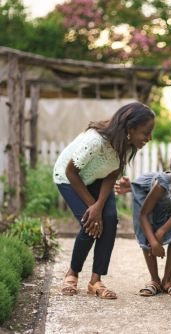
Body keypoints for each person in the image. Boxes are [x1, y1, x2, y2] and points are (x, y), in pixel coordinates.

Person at [53, 101, 155, 300]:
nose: (149, 138)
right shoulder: (95, 141)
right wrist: (93, 208)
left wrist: (99, 205)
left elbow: (112, 174)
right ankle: (72, 274)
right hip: (69, 178)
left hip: (98, 178)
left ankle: (95, 281)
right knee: (90, 223)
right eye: (146, 132)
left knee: (109, 220)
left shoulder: (127, 144)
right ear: (130, 128)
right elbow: (71, 172)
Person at [117, 147, 171, 297]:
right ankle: (154, 280)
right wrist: (154, 241)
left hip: (169, 208)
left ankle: (167, 280)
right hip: (147, 204)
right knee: (148, 233)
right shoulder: (162, 185)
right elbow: (144, 215)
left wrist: (162, 231)